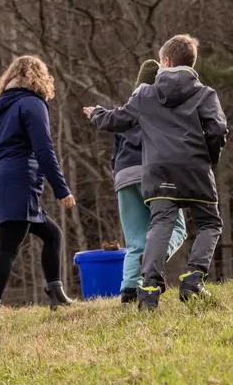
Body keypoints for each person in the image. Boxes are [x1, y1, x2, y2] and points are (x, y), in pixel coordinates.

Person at [85, 35, 227, 311]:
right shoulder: (205, 94)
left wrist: (97, 115)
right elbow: (218, 131)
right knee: (210, 224)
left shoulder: (145, 94)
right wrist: (209, 158)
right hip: (195, 169)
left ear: (165, 61)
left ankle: (149, 288)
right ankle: (194, 278)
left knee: (159, 225)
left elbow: (120, 119)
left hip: (159, 172)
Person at [0, 56, 76, 320]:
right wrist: (62, 189)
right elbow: (44, 150)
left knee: (51, 234)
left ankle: (56, 294)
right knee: (8, 247)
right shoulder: (32, 104)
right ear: (39, 77)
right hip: (17, 179)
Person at [110, 60, 187, 304]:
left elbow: (114, 154)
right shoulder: (164, 108)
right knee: (176, 228)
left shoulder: (126, 109)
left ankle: (129, 292)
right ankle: (152, 259)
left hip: (123, 175)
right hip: (154, 173)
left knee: (135, 240)